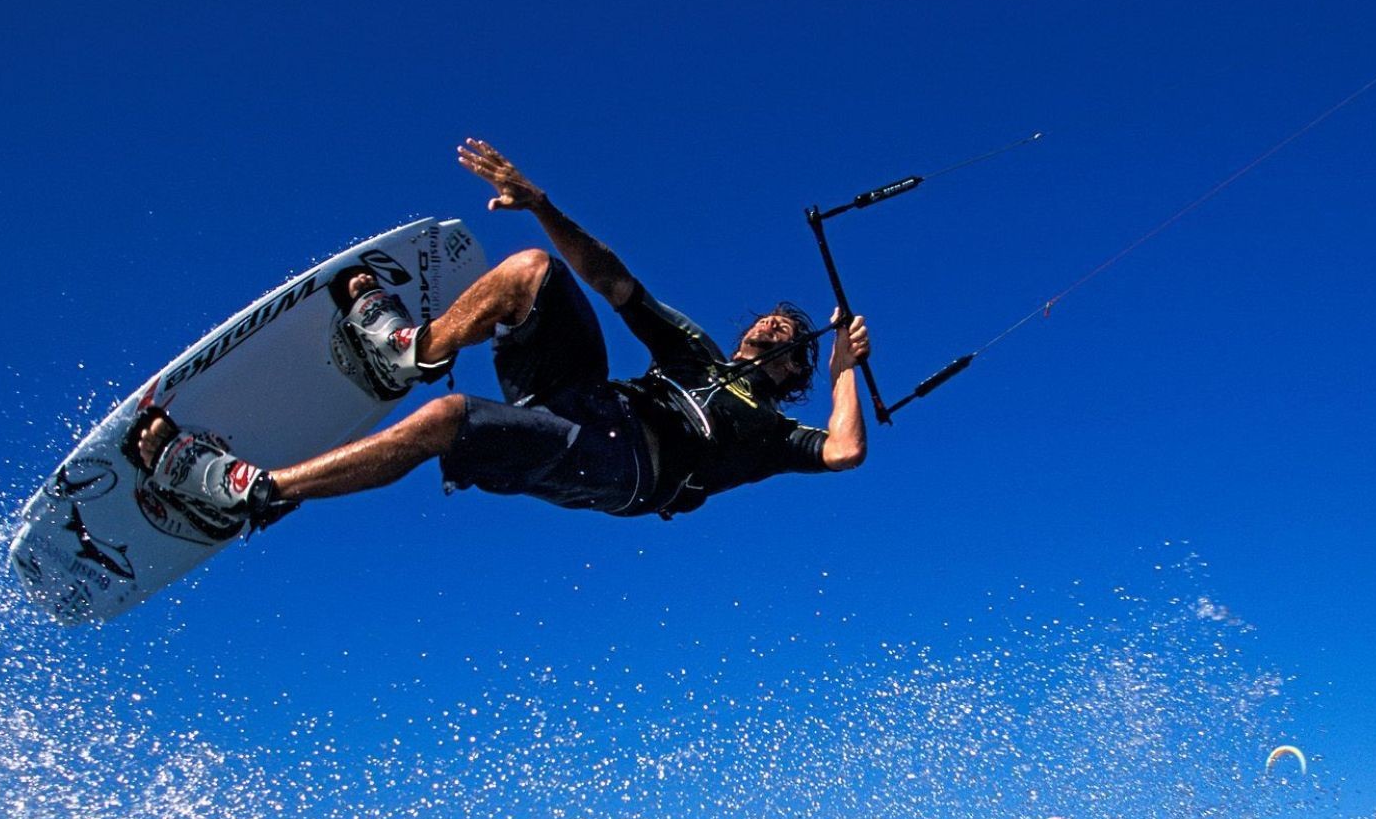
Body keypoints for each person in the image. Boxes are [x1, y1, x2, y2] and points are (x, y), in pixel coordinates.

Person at [128, 140, 872, 532]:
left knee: (448, 421)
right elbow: (614, 280)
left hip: (625, 467)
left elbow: (844, 451)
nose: (774, 325)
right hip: (590, 399)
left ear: (793, 371)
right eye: (770, 318)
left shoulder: (774, 432)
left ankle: (253, 492)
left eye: (790, 335)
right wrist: (542, 204)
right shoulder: (696, 352)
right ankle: (411, 353)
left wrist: (844, 368)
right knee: (530, 270)